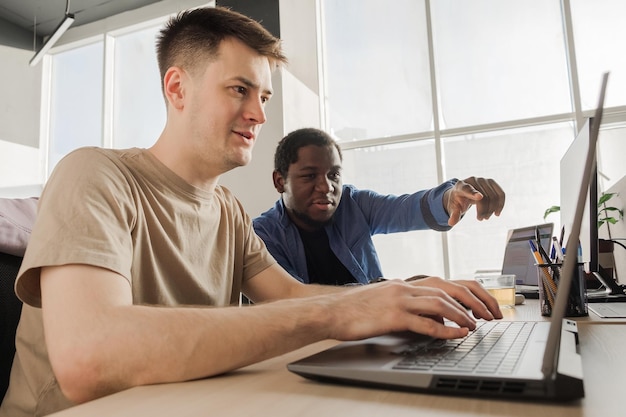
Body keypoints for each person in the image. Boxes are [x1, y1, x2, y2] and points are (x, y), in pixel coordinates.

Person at [0, 7, 502, 417]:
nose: (260, 115)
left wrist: (396, 295)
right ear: (176, 88)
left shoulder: (228, 211)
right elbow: (89, 357)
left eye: (263, 96)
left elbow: (293, 297)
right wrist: (344, 309)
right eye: (239, 89)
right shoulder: (93, 175)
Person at [253, 128, 506, 285]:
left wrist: (449, 197)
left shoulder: (352, 204)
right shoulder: (261, 236)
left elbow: (407, 209)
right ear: (279, 181)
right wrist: (392, 291)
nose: (326, 187)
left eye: (334, 175)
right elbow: (295, 303)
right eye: (309, 176)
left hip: (374, 341)